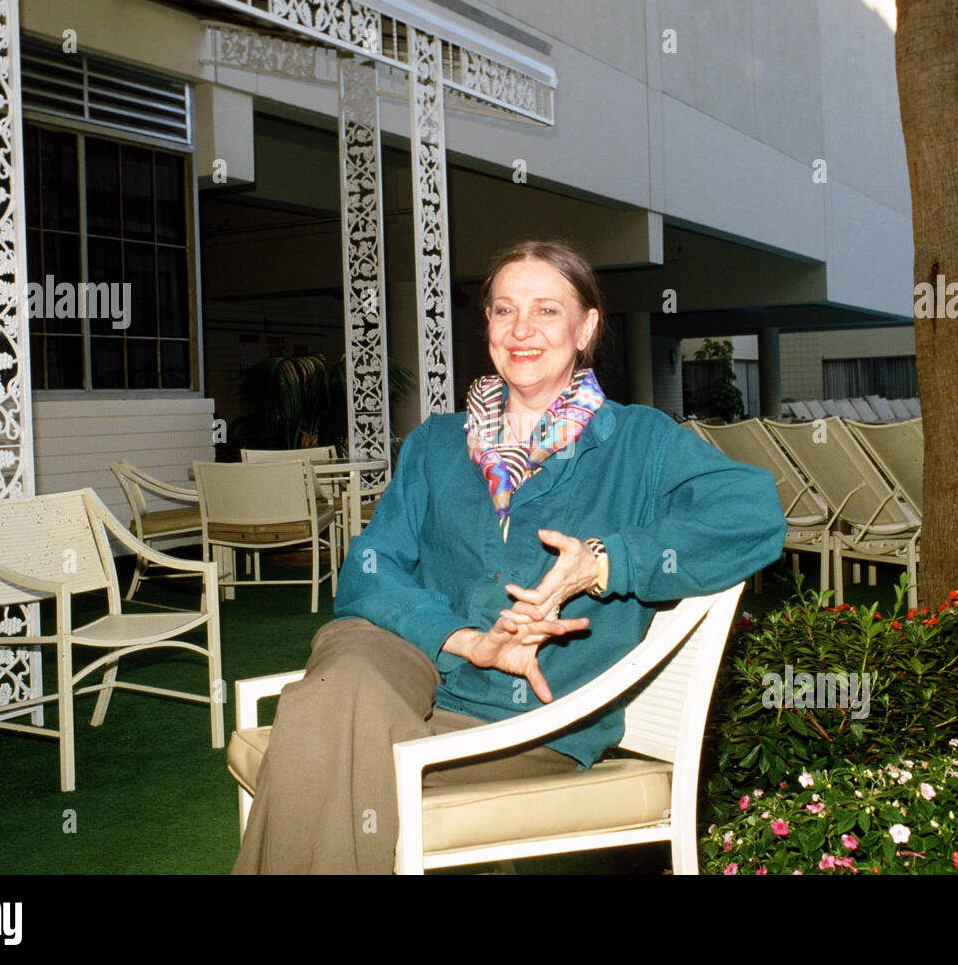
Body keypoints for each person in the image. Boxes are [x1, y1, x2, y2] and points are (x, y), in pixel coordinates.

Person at [232, 240, 785, 874]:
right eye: (503, 311)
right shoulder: (436, 444)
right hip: (411, 671)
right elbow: (367, 573)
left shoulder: (640, 442)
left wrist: (604, 562)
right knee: (349, 666)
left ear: (586, 327)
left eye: (547, 311)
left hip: (533, 721)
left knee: (317, 736)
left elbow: (753, 514)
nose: (521, 331)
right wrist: (465, 639)